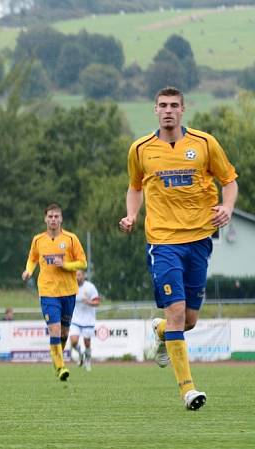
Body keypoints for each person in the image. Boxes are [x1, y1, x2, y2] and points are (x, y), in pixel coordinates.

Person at [119, 86, 238, 411]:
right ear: (155, 110)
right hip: (163, 241)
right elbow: (135, 186)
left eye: (174, 105)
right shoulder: (140, 148)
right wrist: (131, 214)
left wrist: (227, 207)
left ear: (183, 109)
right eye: (162, 105)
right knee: (175, 312)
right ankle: (188, 390)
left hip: (199, 240)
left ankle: (159, 332)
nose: (168, 110)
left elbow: (229, 180)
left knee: (188, 320)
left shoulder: (204, 143)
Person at [22, 203, 86, 381]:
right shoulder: (38, 240)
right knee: (55, 330)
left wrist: (65, 265)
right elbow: (32, 259)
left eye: (56, 216)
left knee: (64, 333)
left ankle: (56, 357)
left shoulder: (71, 239)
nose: (53, 220)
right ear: (45, 219)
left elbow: (83, 263)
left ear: (61, 219)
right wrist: (28, 271)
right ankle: (60, 366)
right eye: (50, 216)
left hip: (68, 291)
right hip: (48, 291)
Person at [68, 270, 100, 371]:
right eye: (76, 275)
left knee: (87, 343)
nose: (77, 277)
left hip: (88, 320)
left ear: (83, 276)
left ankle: (88, 361)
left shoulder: (90, 287)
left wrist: (89, 302)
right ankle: (81, 354)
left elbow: (97, 302)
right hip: (75, 320)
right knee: (73, 341)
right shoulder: (71, 287)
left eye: (79, 275)